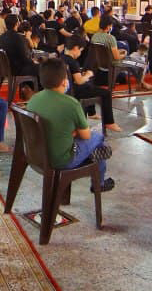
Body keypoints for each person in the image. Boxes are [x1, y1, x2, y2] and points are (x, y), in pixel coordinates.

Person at [24, 58, 115, 192]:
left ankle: (97, 165)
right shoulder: (71, 104)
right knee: (98, 137)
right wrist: (76, 132)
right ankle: (99, 183)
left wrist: (72, 132)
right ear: (64, 81)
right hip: (61, 160)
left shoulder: (33, 99)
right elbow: (86, 135)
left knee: (93, 143)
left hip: (37, 156)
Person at [60, 36, 119, 132]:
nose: (80, 53)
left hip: (67, 90)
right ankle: (109, 122)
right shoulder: (72, 62)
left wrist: (83, 76)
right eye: (80, 51)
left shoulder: (61, 58)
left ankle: (92, 113)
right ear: (76, 48)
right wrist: (88, 75)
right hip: (75, 92)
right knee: (106, 93)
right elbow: (79, 81)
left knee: (89, 86)